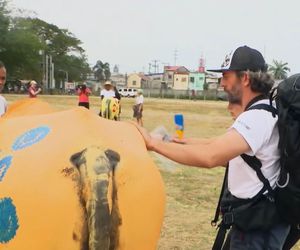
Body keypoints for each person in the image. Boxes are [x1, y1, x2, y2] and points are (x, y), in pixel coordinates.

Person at [134, 46, 290, 249]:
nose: (222, 83)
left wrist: (153, 144)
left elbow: (211, 156)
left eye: (226, 76)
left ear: (245, 78)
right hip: (254, 222)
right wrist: (172, 141)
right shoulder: (265, 111)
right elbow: (220, 148)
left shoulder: (256, 118)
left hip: (256, 230)